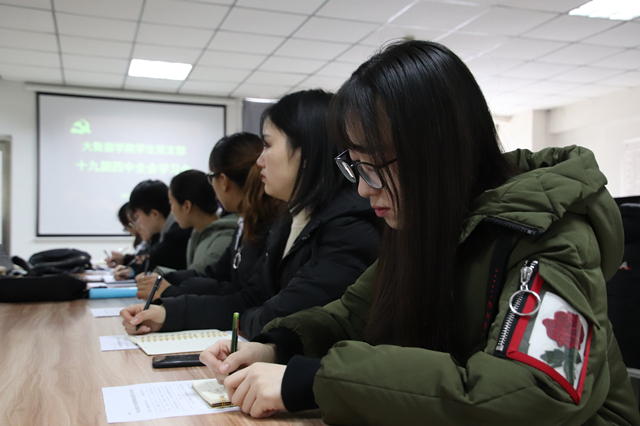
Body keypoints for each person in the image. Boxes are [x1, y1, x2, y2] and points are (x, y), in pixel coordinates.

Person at [198, 40, 640, 424]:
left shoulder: (552, 234)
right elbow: (351, 313)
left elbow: (534, 392)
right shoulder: (425, 223)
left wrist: (316, 381)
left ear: (436, 153)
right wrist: (277, 347)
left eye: (373, 165)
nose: (361, 186)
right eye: (354, 164)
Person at [121, 89, 381, 339]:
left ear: (307, 151)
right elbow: (250, 298)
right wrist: (168, 314)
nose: (259, 162)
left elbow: (280, 317)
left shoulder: (351, 227)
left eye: (267, 145)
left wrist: (245, 317)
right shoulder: (290, 219)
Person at [136, 132, 282, 300]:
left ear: (224, 181)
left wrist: (172, 292)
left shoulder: (264, 227)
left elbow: (243, 297)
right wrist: (168, 280)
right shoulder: (247, 223)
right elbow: (215, 274)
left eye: (211, 177)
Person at [155, 169, 238, 276]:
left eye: (172, 203)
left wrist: (159, 274)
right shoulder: (198, 233)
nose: (172, 211)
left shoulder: (225, 235)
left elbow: (199, 275)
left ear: (187, 206)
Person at [114, 180, 192, 279]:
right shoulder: (164, 233)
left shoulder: (176, 236)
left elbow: (150, 267)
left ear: (154, 214)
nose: (138, 223)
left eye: (138, 216)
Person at [105, 202, 143, 268]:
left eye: (128, 226)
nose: (137, 227)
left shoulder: (156, 242)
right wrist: (123, 260)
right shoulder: (142, 243)